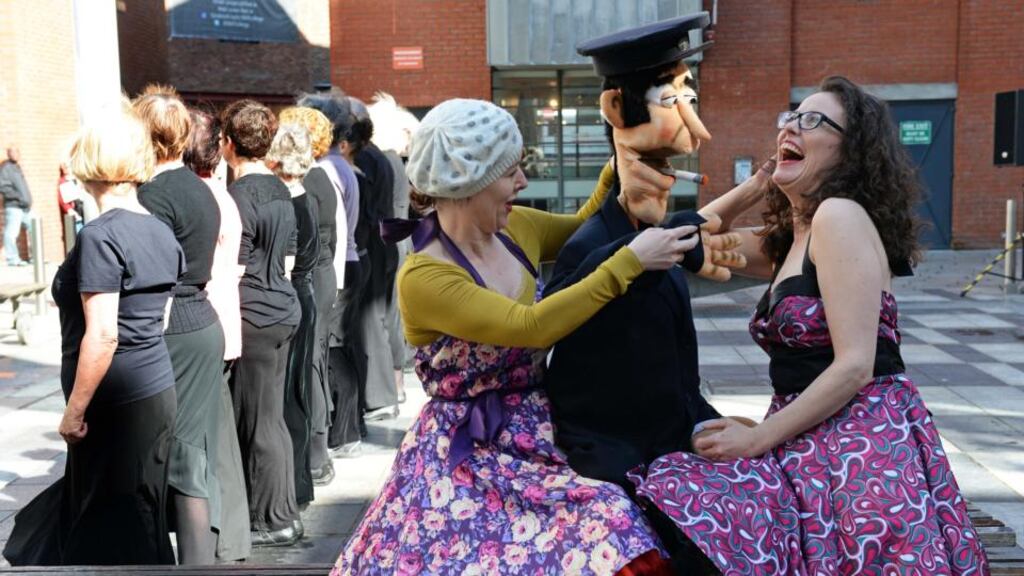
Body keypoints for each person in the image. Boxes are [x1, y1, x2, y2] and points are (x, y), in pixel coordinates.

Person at [630, 76, 990, 575]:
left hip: (860, 450)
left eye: (815, 121)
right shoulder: (792, 235)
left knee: (682, 492)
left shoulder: (838, 217)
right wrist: (753, 187)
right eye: (791, 118)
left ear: (850, 152)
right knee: (673, 481)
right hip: (812, 440)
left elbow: (856, 366)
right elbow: (679, 245)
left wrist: (757, 439)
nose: (793, 128)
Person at [333, 98, 703, 575]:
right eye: (511, 172)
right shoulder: (425, 277)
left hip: (538, 430)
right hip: (465, 454)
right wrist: (632, 261)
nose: (523, 183)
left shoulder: (515, 229)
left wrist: (618, 167)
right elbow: (532, 328)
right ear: (471, 181)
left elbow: (582, 228)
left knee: (612, 525)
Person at [543, 13, 752, 573]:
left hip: (670, 443)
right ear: (617, 112)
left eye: (690, 98)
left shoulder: (648, 235)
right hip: (621, 463)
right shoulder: (598, 247)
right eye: (671, 100)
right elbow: (558, 342)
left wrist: (705, 426)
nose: (696, 130)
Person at [3, 103, 184, 566]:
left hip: (114, 399)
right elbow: (157, 319)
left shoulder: (102, 236)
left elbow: (103, 336)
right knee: (138, 513)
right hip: (154, 388)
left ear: (92, 163)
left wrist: (73, 411)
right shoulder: (160, 230)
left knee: (110, 524)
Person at [134, 85, 225, 565]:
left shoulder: (153, 196)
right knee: (191, 454)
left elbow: (156, 275)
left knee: (182, 460)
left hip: (175, 328)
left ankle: (194, 566)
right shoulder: (198, 187)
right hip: (200, 324)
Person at [221, 99, 303, 547]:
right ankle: (284, 511)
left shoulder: (239, 198)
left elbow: (234, 270)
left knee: (257, 422)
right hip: (283, 307)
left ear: (229, 143)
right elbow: (288, 258)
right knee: (271, 416)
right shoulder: (280, 189)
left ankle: (274, 519)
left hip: (253, 313)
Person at [182, 107, 252, 562]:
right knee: (221, 439)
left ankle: (222, 535)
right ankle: (231, 536)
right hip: (224, 321)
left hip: (211, 321)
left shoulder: (204, 198)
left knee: (210, 444)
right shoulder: (219, 195)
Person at [299, 91, 364, 457]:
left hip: (339, 266)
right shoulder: (341, 167)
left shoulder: (327, 170)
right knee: (338, 347)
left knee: (333, 350)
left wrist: (333, 281)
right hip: (346, 263)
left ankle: (344, 432)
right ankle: (347, 429)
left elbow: (336, 230)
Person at [279, 105, 341, 487]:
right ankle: (318, 450)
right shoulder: (319, 178)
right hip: (321, 274)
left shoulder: (311, 183)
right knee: (313, 361)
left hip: (314, 277)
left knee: (312, 365)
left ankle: (317, 453)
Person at [266, 122, 320, 512]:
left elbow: (286, 267)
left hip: (293, 295)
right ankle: (299, 481)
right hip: (305, 294)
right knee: (296, 392)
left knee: (289, 395)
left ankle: (297, 483)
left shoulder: (289, 203)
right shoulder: (307, 197)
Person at [349, 96, 400, 423]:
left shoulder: (367, 159)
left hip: (373, 242)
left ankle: (379, 396)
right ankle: (382, 394)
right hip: (382, 240)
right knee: (376, 318)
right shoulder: (380, 156)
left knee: (370, 318)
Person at [368, 92, 420, 403]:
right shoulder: (392, 163)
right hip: (397, 241)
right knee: (392, 313)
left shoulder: (384, 162)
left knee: (387, 314)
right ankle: (397, 380)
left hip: (390, 242)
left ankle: (396, 380)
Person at [0, 146, 33, 266]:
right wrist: (19, 198)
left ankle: (36, 257)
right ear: (8, 154)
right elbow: (3, 187)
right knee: (11, 233)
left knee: (34, 228)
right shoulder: (6, 168)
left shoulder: (16, 168)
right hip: (14, 206)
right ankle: (12, 259)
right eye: (12, 152)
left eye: (16, 151)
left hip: (25, 207)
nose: (15, 154)